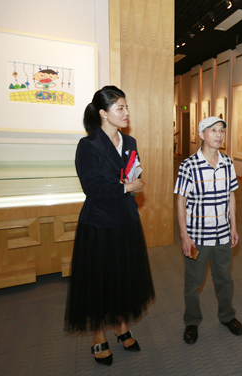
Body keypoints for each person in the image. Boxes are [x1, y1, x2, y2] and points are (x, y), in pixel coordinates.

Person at [65, 86, 155, 366]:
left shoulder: (130, 142)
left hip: (126, 220)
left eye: (126, 107)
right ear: (104, 113)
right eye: (120, 108)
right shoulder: (88, 145)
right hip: (99, 224)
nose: (126, 113)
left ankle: (120, 325)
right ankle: (97, 334)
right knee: (98, 281)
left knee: (123, 277)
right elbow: (91, 188)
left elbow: (131, 174)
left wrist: (135, 185)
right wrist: (126, 187)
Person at [174, 116, 242, 344]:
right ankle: (192, 322)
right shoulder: (189, 165)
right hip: (197, 236)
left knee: (224, 280)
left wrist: (233, 226)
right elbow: (181, 201)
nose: (218, 135)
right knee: (193, 283)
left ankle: (227, 316)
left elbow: (231, 195)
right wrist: (184, 236)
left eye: (221, 130)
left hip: (222, 234)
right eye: (213, 130)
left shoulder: (227, 162)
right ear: (202, 135)